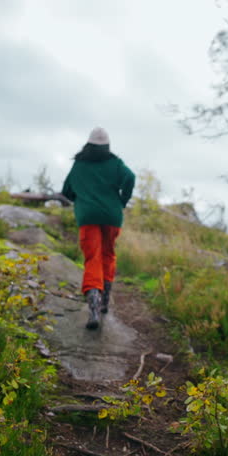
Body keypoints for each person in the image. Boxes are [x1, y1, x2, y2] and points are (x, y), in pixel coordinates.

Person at [61, 127, 136, 329]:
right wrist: (122, 199)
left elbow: (66, 191)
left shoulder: (80, 165)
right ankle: (105, 298)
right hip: (112, 216)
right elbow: (130, 178)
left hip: (87, 217)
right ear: (107, 146)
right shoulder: (115, 163)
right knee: (108, 254)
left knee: (92, 257)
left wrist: (82, 199)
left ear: (89, 145)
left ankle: (93, 301)